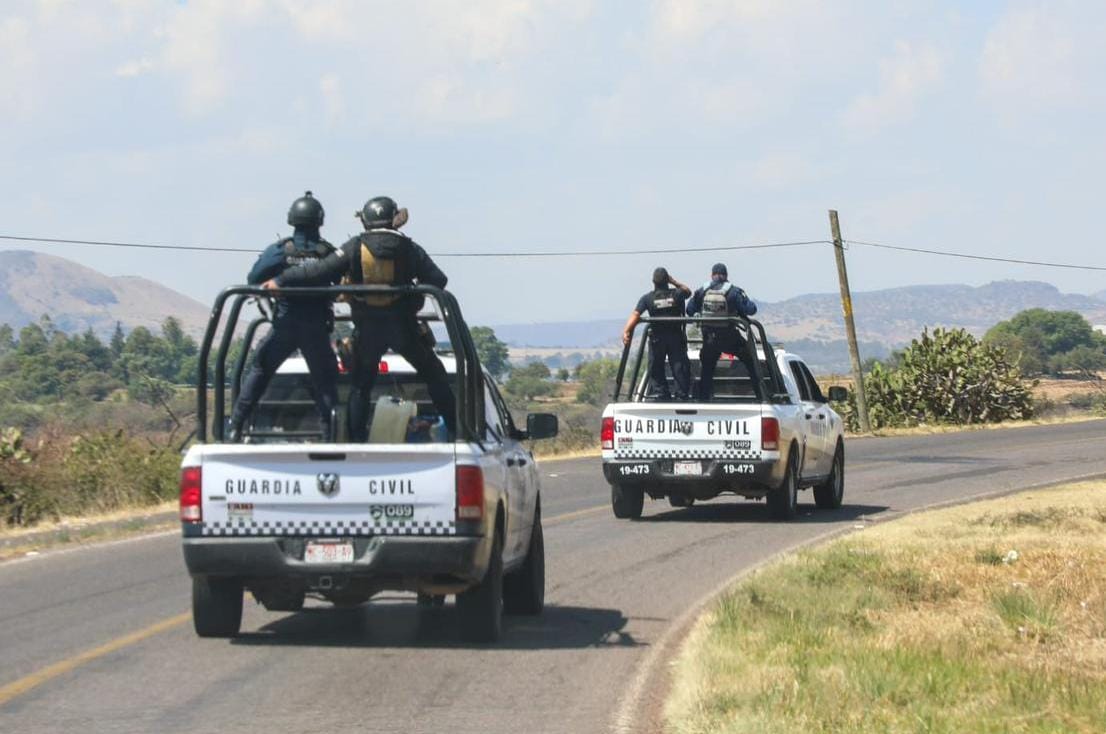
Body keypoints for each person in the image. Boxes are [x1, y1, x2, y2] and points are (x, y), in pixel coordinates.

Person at [265, 196, 456, 441]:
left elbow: (319, 270)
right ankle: (456, 430)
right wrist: (409, 292)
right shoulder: (409, 248)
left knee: (361, 387)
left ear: (365, 220)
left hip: (368, 330)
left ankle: (356, 441)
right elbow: (438, 280)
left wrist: (282, 280)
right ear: (394, 219)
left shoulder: (355, 246)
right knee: (434, 374)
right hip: (404, 329)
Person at [228, 191, 340, 442]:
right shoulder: (328, 253)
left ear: (292, 220)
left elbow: (254, 278)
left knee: (260, 371)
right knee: (324, 382)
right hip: (316, 327)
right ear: (319, 221)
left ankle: (235, 426)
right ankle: (329, 436)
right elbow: (341, 282)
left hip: (285, 325)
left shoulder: (280, 251)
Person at [685, 262, 758, 401]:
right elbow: (751, 310)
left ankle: (704, 400)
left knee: (707, 369)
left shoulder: (702, 291)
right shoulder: (734, 292)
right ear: (726, 276)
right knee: (750, 360)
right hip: (730, 338)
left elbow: (689, 310)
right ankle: (761, 395)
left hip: (709, 339)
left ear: (712, 275)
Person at [621, 267, 692, 401]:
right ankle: (681, 396)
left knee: (656, 367)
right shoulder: (676, 294)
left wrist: (626, 330)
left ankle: (662, 395)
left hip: (657, 339)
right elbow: (688, 292)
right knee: (679, 367)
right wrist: (674, 282)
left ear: (653, 282)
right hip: (675, 338)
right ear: (667, 281)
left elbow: (636, 314)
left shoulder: (648, 298)